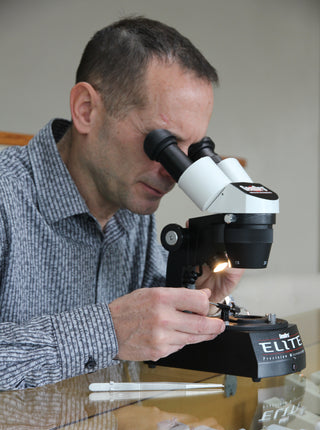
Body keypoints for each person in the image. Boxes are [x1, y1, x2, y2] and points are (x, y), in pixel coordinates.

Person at [0, 16, 243, 390]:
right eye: (161, 143)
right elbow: (120, 330)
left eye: (189, 152)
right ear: (86, 109)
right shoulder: (6, 197)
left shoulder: (133, 212)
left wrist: (194, 294)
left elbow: (144, 344)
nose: (173, 172)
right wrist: (107, 330)